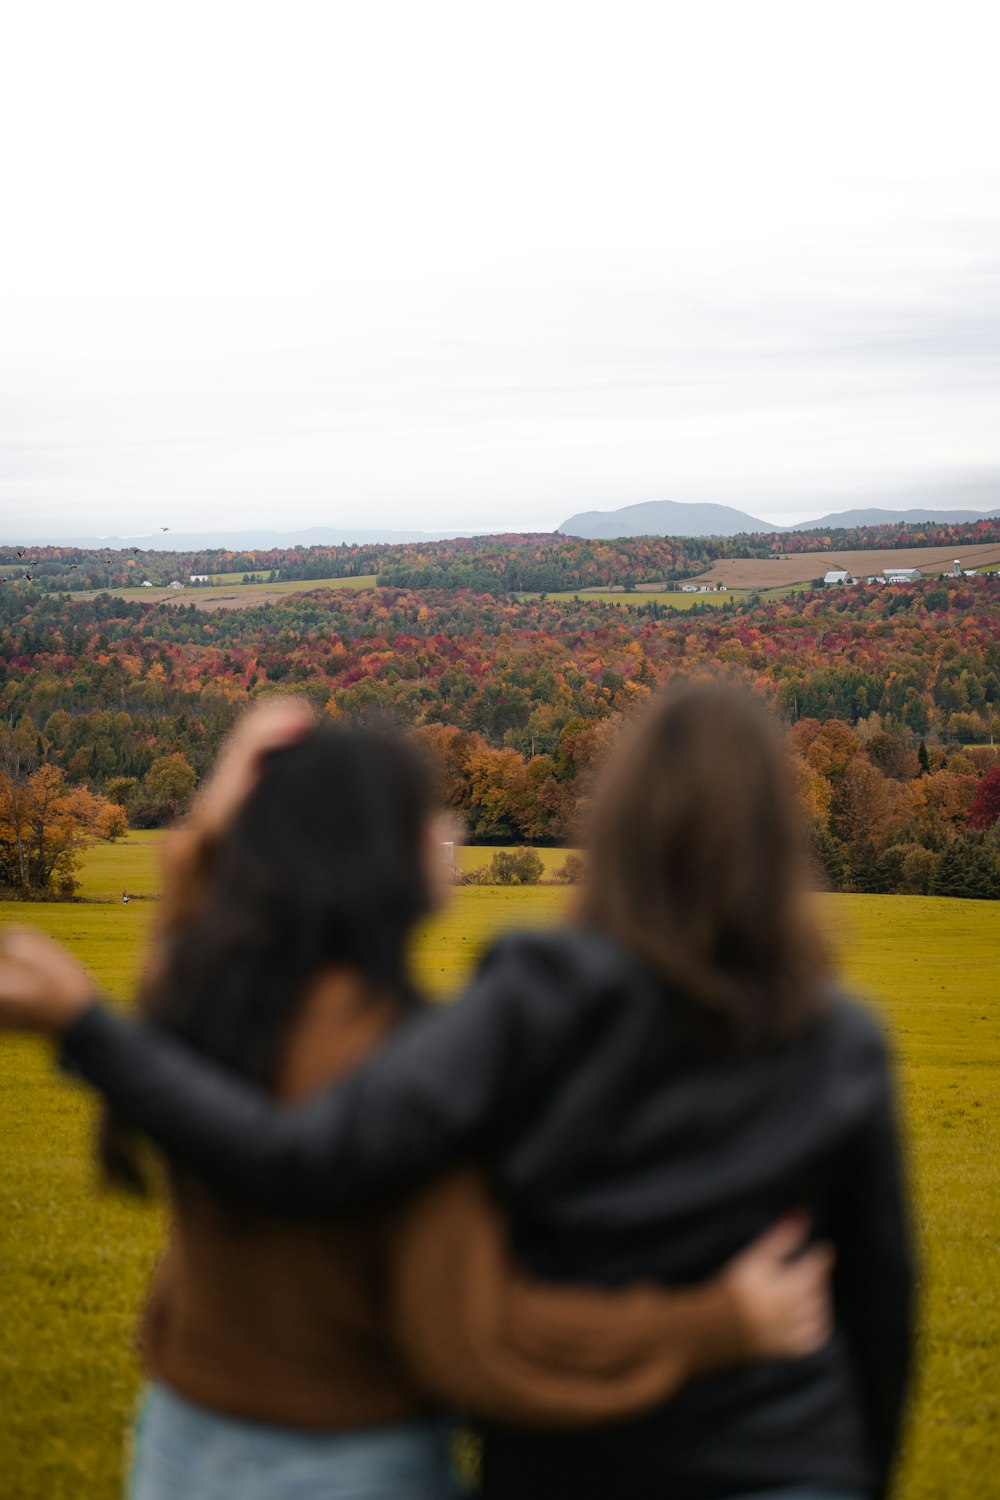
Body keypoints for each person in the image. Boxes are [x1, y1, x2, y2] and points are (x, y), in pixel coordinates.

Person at [0, 686, 915, 1500]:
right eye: (427, 816)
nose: (457, 831)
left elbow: (193, 936)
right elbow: (480, 1340)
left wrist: (211, 823)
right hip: (363, 1458)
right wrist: (722, 1325)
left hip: (182, 1438)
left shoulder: (219, 999)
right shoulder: (418, 1054)